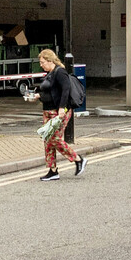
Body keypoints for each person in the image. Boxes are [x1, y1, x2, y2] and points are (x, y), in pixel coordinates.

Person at [34, 48, 85, 181]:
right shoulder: (50, 74)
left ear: (50, 60)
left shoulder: (60, 72)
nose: (41, 65)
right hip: (48, 111)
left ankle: (78, 159)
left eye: (42, 62)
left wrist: (62, 108)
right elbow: (51, 92)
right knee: (48, 140)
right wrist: (38, 96)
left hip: (59, 112)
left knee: (54, 139)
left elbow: (65, 90)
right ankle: (53, 171)